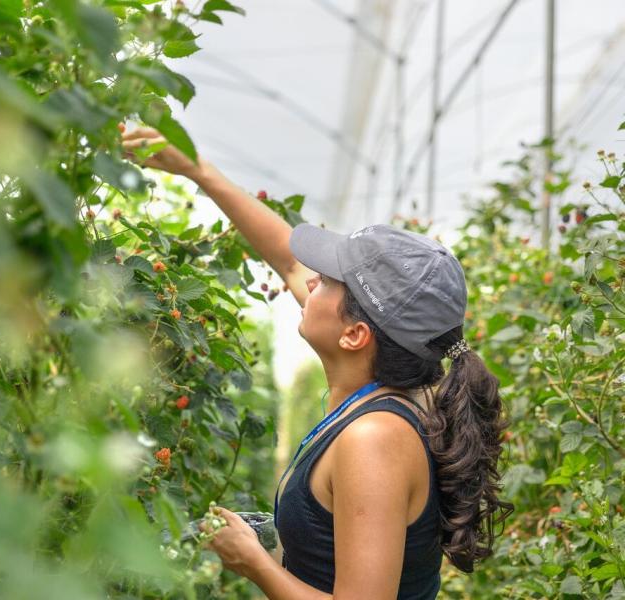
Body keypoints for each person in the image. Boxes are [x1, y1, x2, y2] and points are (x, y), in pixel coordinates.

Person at [121, 125, 514, 599]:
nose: (309, 282)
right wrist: (197, 170)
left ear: (354, 335)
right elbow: (288, 263)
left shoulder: (375, 440)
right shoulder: (382, 398)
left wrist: (253, 561)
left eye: (327, 280)